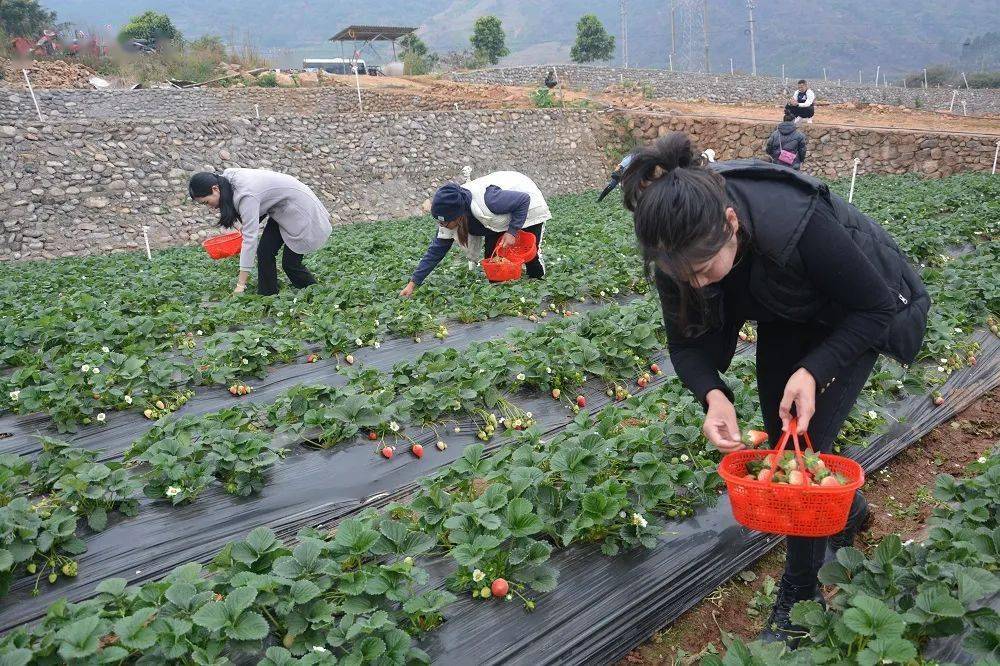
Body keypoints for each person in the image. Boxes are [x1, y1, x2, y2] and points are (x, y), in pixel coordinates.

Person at [621, 133, 928, 645]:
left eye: (703, 271)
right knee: (783, 431)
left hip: (856, 311)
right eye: (682, 275)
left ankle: (799, 594)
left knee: (805, 455)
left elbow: (875, 308)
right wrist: (712, 395)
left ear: (732, 226)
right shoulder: (677, 252)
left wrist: (814, 370)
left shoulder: (798, 223)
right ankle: (849, 509)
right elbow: (686, 347)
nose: (695, 285)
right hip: (785, 306)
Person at [400, 171, 551, 296]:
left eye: (445, 222)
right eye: (440, 222)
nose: (442, 226)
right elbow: (435, 252)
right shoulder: (451, 213)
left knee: (530, 256)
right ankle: (506, 296)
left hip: (528, 205)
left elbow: (523, 200)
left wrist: (512, 231)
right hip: (496, 220)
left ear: (458, 216)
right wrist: (413, 284)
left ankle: (538, 289)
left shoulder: (490, 201)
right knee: (494, 265)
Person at [189, 169, 332, 296]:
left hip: (300, 208)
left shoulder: (245, 194)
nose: (210, 207)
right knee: (264, 251)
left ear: (215, 189)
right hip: (280, 208)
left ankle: (318, 295)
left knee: (290, 264)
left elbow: (250, 239)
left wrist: (240, 285)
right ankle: (268, 296)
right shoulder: (225, 181)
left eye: (206, 202)